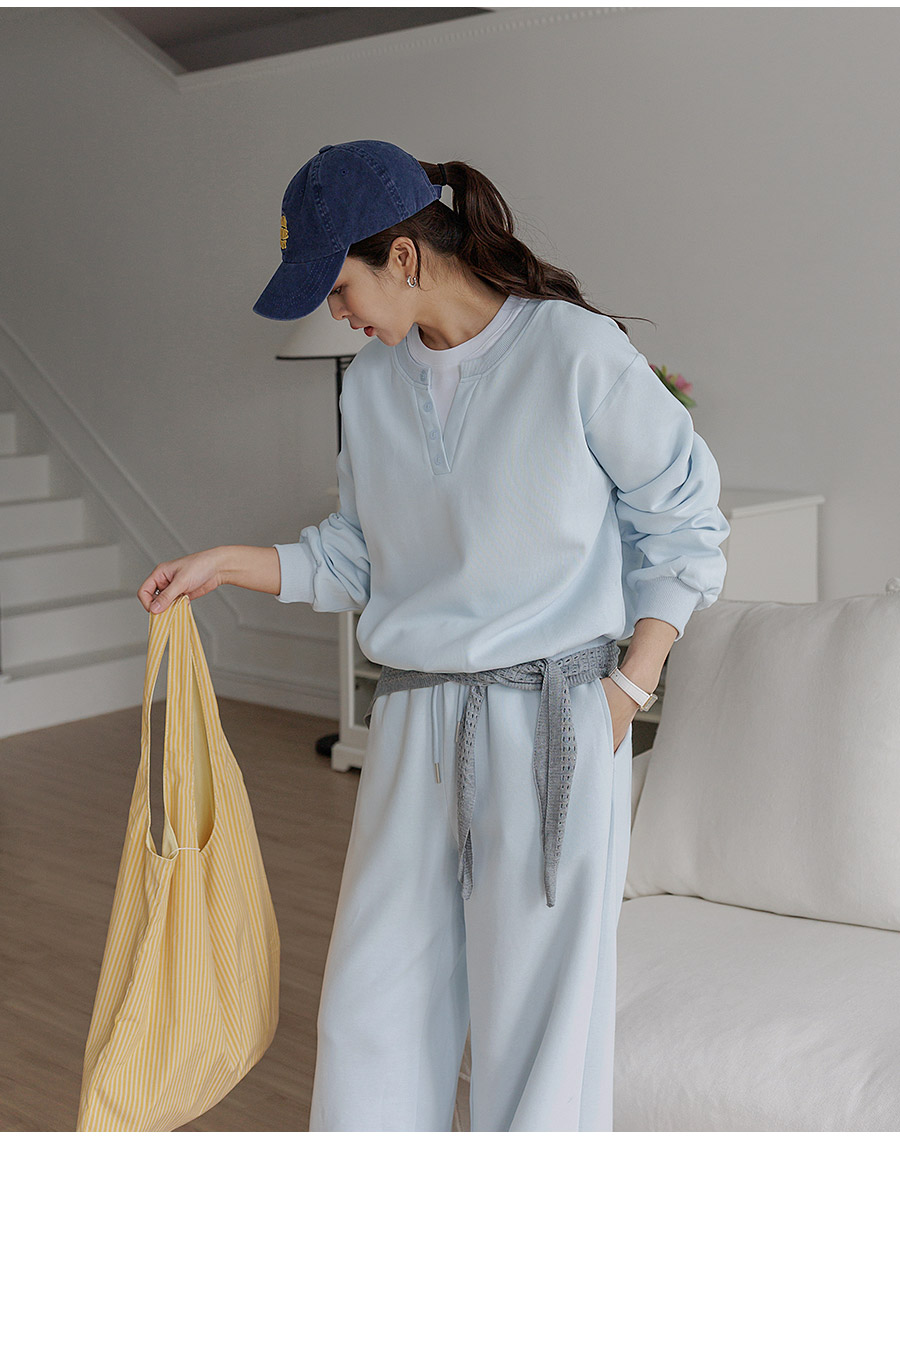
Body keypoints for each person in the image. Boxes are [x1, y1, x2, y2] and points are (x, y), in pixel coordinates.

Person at [137, 139, 730, 1131]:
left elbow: (686, 521)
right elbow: (363, 556)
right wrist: (227, 564)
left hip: (554, 722)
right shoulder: (372, 386)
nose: (337, 313)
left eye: (339, 286)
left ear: (404, 256)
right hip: (415, 720)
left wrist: (630, 687)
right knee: (371, 1005)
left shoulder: (574, 353)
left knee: (536, 1026)